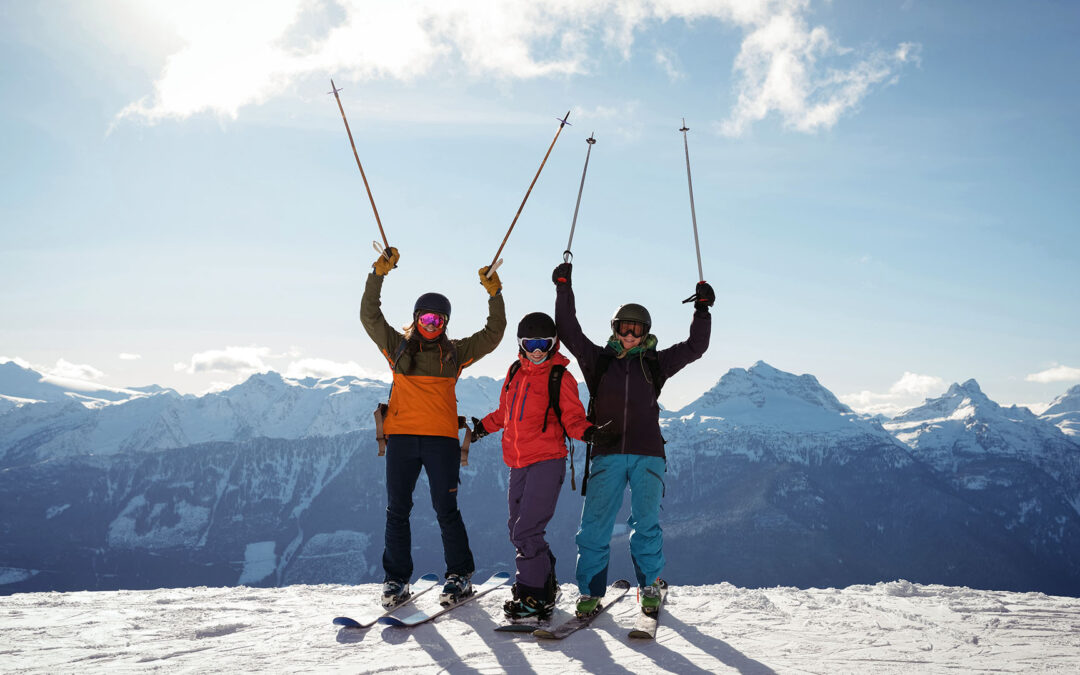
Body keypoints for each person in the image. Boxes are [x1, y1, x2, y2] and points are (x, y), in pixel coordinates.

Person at [551, 261, 713, 616]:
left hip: (648, 454)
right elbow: (568, 328)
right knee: (594, 526)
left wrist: (702, 310)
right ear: (615, 329)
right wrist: (564, 287)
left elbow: (695, 347)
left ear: (645, 333)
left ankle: (650, 586)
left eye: (637, 330)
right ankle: (590, 592)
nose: (630, 335)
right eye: (625, 328)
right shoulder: (598, 360)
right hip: (607, 453)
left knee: (646, 524)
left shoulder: (655, 363)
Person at [361, 246, 506, 607]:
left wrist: (494, 294)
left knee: (446, 509)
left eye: (438, 321)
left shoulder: (454, 354)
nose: (431, 326)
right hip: (403, 440)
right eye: (426, 320)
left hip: (440, 442)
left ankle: (459, 575)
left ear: (446, 324)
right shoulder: (396, 348)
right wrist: (378, 274)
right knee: (397, 510)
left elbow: (494, 333)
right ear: (416, 319)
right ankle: (396, 580)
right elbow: (370, 316)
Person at [470, 312, 618, 623]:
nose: (537, 350)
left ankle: (533, 596)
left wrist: (589, 432)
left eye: (543, 344)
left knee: (527, 529)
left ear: (554, 344)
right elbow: (505, 412)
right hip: (517, 462)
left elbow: (573, 418)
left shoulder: (559, 377)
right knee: (516, 529)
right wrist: (483, 426)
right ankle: (544, 583)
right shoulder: (514, 372)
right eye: (531, 344)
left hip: (547, 461)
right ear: (521, 345)